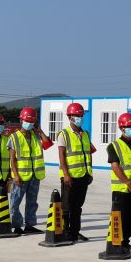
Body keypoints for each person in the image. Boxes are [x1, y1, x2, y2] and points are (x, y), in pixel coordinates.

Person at [8, 107, 53, 235]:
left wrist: (40, 130)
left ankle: (30, 225)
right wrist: (15, 175)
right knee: (15, 202)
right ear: (21, 120)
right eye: (27, 121)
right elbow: (12, 159)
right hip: (21, 176)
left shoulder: (36, 136)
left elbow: (48, 144)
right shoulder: (14, 137)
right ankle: (16, 226)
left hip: (35, 175)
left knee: (32, 202)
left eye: (32, 121)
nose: (29, 123)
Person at [58, 102, 95, 243]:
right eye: (76, 115)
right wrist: (66, 174)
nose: (80, 118)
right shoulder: (64, 134)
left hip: (83, 175)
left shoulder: (85, 134)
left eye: (81, 115)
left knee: (78, 206)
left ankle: (75, 232)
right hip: (70, 177)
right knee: (66, 206)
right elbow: (61, 155)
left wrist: (90, 173)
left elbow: (88, 154)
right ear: (70, 117)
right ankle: (65, 232)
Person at [106, 112, 131, 253]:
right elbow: (115, 166)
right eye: (129, 126)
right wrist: (128, 183)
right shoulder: (114, 146)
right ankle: (118, 244)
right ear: (122, 128)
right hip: (121, 189)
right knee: (120, 218)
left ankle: (126, 242)